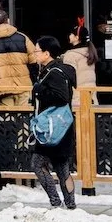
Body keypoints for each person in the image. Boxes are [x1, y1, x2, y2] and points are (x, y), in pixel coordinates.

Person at [31, 35, 78, 209]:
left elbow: (61, 97)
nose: (34, 54)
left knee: (37, 164)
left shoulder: (54, 73)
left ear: (46, 53)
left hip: (51, 127)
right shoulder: (58, 70)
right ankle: (70, 204)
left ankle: (55, 201)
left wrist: (39, 89)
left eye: (37, 50)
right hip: (62, 125)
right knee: (62, 166)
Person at [0, 11, 37, 107]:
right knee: (23, 118)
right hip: (23, 85)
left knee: (7, 119)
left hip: (2, 88)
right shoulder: (23, 38)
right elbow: (34, 61)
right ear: (8, 21)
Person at [62, 25, 98, 109]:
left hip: (77, 98)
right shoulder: (90, 52)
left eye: (71, 34)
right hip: (91, 97)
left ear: (76, 37)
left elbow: (68, 79)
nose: (69, 36)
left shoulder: (71, 55)